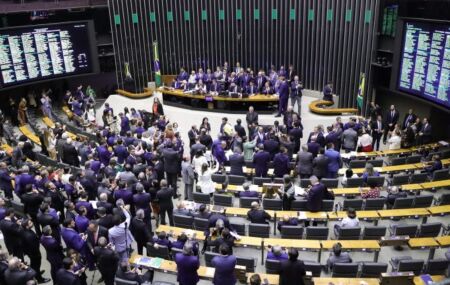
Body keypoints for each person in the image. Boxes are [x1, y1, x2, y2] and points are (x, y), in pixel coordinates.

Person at [20, 219, 50, 283]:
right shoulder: (29, 236)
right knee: (36, 265)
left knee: (34, 265)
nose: (32, 223)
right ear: (26, 226)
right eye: (30, 223)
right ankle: (39, 279)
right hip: (34, 254)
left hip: (30, 252)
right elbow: (34, 247)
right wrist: (37, 254)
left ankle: (37, 273)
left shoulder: (24, 231)